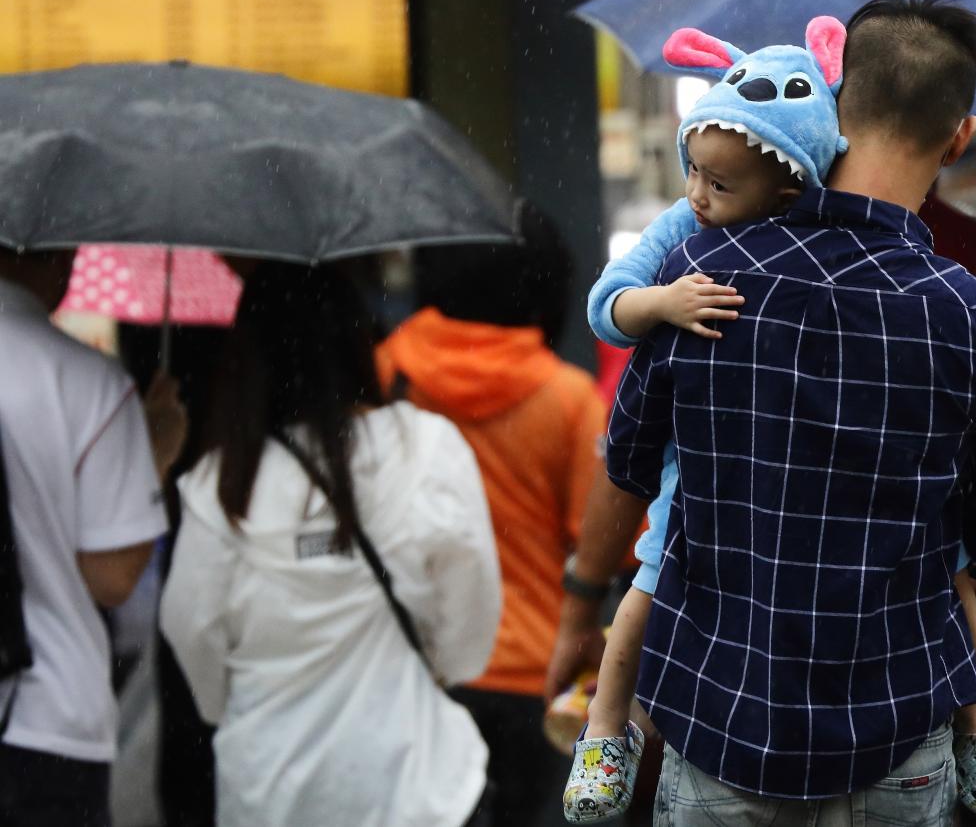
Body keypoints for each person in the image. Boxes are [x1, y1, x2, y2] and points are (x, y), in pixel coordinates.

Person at [560, 0, 976, 825]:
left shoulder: (699, 275)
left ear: (835, 103)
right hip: (897, 736)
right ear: (960, 135)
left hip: (723, 725)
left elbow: (630, 462)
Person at [160, 263, 501, 827]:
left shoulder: (216, 488)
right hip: (416, 787)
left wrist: (242, 699)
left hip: (269, 793)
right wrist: (438, 663)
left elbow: (190, 630)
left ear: (246, 360)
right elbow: (471, 615)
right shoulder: (426, 450)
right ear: (357, 340)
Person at [375, 205, 609, 827]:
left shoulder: (387, 373)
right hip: (538, 675)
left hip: (421, 663)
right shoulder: (566, 400)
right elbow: (605, 543)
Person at [0, 248, 171, 826]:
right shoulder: (88, 381)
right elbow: (113, 577)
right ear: (47, 254)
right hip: (44, 718)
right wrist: (154, 460)